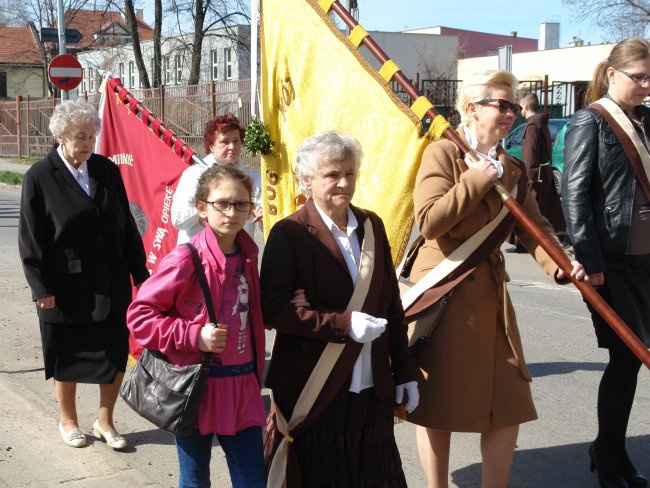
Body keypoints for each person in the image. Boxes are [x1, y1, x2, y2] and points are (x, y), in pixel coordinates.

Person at [405, 70, 587, 488]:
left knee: (509, 404)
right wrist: (475, 178)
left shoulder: (512, 168)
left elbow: (534, 228)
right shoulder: (443, 155)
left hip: (491, 303)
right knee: (438, 406)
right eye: (501, 105)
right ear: (472, 108)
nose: (511, 113)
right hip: (446, 295)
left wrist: (560, 263)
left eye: (513, 106)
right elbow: (430, 221)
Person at [261, 131, 421, 487]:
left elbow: (391, 305)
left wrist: (406, 370)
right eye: (332, 174)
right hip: (316, 386)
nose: (344, 183)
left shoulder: (372, 226)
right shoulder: (290, 233)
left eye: (349, 173)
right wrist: (343, 324)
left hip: (371, 386)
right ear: (307, 180)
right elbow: (273, 310)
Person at [18, 99, 149, 449]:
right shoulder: (40, 176)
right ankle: (69, 421)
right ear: (60, 136)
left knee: (114, 351)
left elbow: (127, 228)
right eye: (80, 137)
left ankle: (105, 421)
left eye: (92, 136)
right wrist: (40, 286)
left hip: (111, 281)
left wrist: (142, 275)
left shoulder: (106, 170)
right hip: (63, 286)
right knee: (67, 353)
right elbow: (31, 237)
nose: (87, 144)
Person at [127, 164, 267, 488]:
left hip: (243, 386)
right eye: (223, 203)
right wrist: (194, 335)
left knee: (253, 481)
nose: (232, 212)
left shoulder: (248, 255)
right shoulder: (185, 259)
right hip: (194, 390)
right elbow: (139, 317)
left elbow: (248, 311)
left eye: (241, 204)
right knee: (194, 480)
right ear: (202, 207)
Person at [562, 37, 650, 488]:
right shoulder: (589, 121)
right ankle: (610, 455)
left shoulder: (647, 120)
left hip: (646, 259)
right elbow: (574, 194)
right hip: (610, 261)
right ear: (612, 74)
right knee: (627, 357)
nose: (646, 86)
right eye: (638, 77)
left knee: (635, 359)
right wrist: (589, 258)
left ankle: (608, 449)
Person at [171, 114, 262, 243]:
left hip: (238, 258)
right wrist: (208, 203)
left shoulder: (254, 178)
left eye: (236, 141)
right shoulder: (194, 175)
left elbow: (265, 225)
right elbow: (179, 221)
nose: (232, 147)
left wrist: (263, 218)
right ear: (211, 146)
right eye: (225, 141)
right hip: (199, 257)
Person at [518, 92, 566, 245]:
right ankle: (558, 235)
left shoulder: (532, 126)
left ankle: (525, 242)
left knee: (530, 208)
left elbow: (530, 155)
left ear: (525, 106)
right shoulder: (540, 123)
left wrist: (528, 178)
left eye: (520, 106)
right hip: (544, 172)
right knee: (545, 208)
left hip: (536, 175)